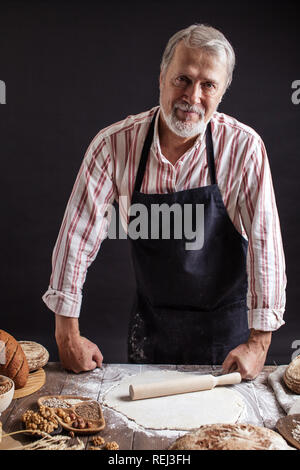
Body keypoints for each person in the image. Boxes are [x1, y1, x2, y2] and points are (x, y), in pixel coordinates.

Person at [42, 24, 286, 379]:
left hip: (226, 338)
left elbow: (266, 246)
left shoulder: (244, 148)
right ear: (161, 78)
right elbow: (76, 240)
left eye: (208, 85)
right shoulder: (113, 146)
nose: (193, 96)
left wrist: (259, 343)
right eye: (182, 79)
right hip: (150, 330)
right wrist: (66, 334)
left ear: (222, 92)